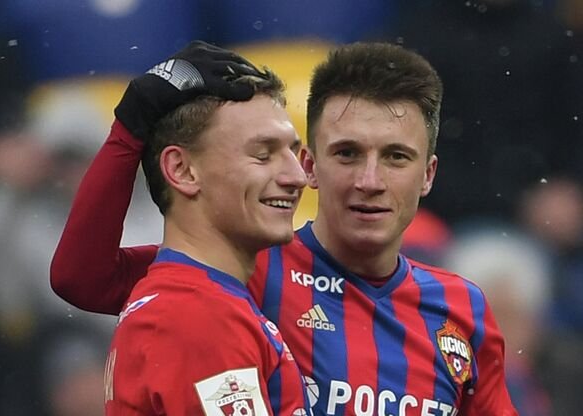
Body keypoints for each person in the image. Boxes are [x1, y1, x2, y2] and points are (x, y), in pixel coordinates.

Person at [51, 42, 516, 415]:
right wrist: (131, 125)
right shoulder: (245, 268)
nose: (370, 181)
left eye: (396, 157)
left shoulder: (462, 310)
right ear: (309, 166)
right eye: (347, 154)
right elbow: (82, 278)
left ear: (428, 175)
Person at [54, 40, 311, 415]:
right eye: (263, 154)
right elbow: (83, 276)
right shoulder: (199, 316)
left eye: (294, 152)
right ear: (182, 170)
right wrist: (129, 126)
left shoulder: (194, 297)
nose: (298, 176)